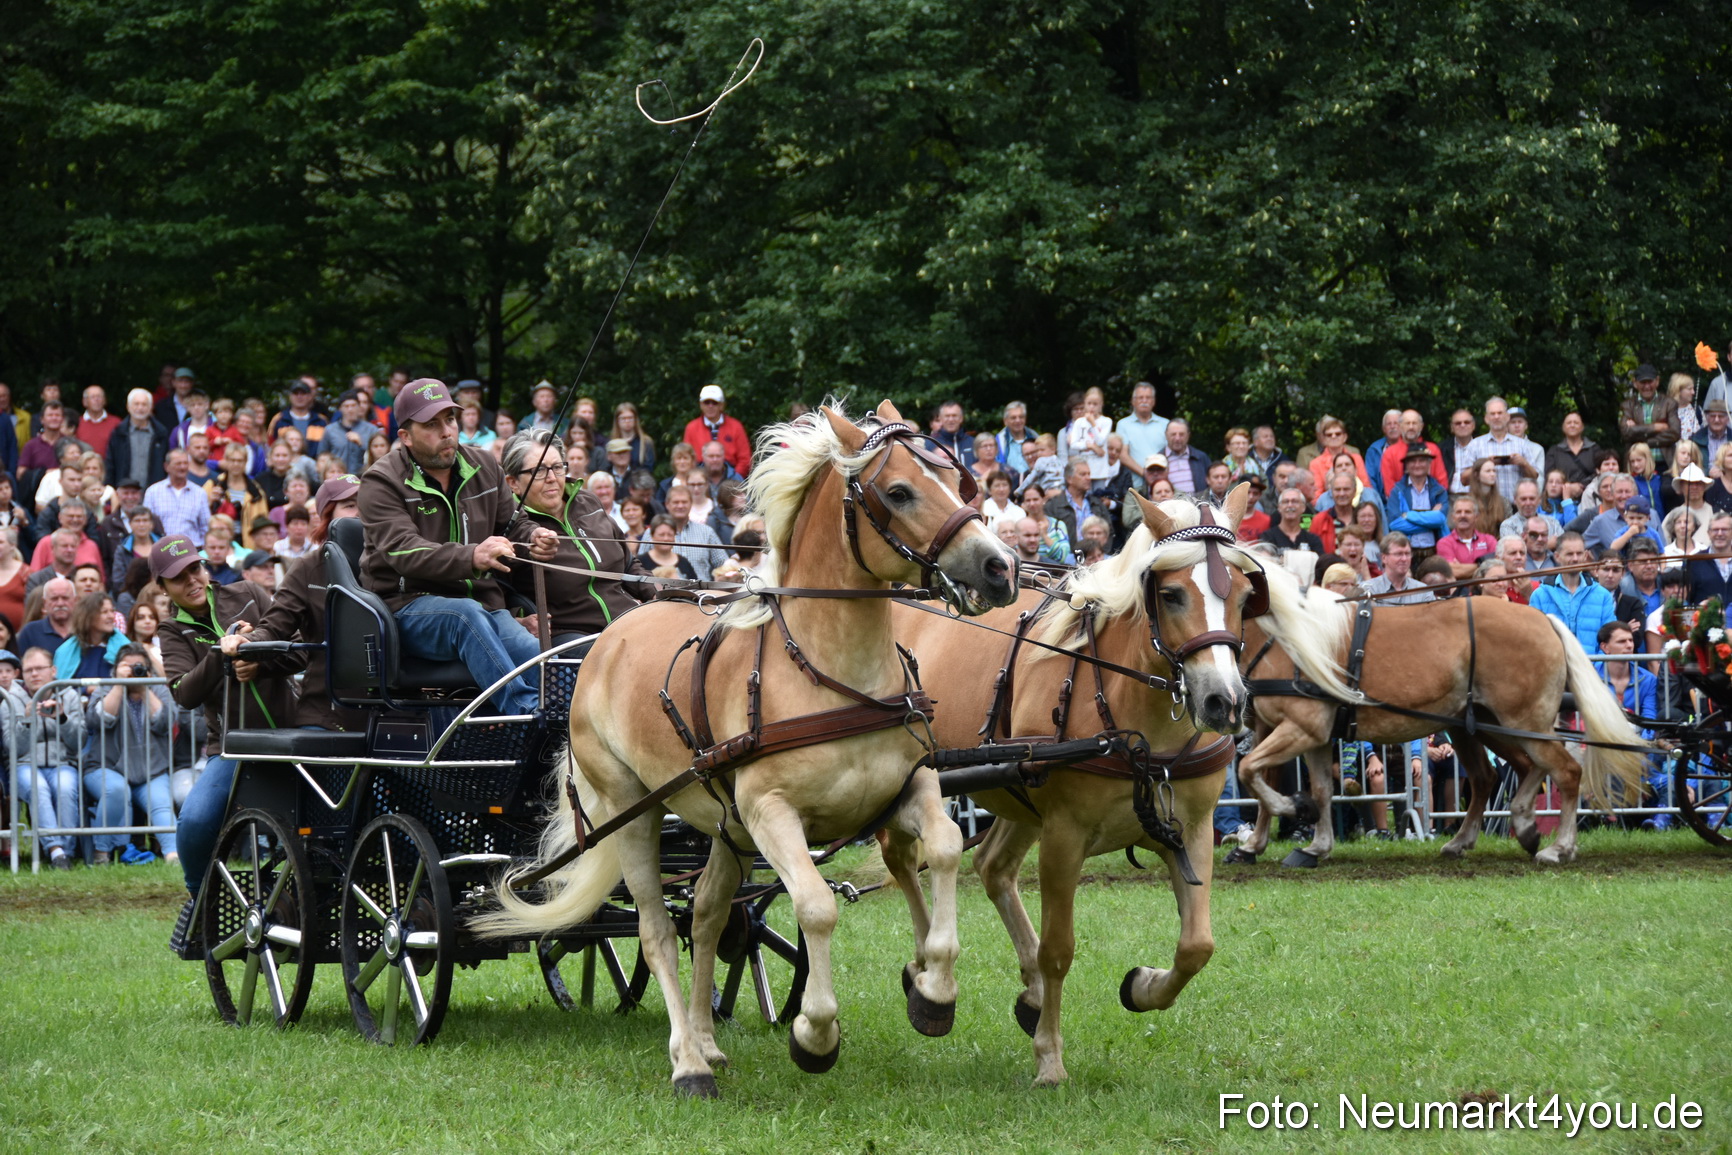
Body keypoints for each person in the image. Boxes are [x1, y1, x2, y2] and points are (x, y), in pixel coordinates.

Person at [356, 379, 558, 716]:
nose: (447, 431)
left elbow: (513, 525)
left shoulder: (485, 465)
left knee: (539, 659)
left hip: (483, 605)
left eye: (450, 419)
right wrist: (473, 556)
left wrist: (534, 537)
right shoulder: (380, 481)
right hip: (405, 607)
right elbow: (404, 551)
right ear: (405, 437)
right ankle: (529, 714)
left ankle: (572, 717)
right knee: (464, 616)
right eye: (431, 424)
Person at [159, 533, 301, 948]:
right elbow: (184, 692)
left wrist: (258, 658)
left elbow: (300, 654)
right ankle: (203, 899)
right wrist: (220, 656)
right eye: (178, 578)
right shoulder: (172, 629)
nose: (191, 580)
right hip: (230, 747)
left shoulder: (249, 592)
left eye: (194, 569)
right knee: (196, 821)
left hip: (291, 736)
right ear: (162, 588)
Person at [222, 475, 368, 732]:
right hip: (326, 711)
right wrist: (250, 642)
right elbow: (276, 624)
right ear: (326, 519)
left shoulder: (392, 562)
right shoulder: (308, 567)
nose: (360, 514)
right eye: (349, 505)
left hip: (391, 710)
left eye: (365, 504)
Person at [497, 431, 639, 643]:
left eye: (557, 467)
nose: (552, 478)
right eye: (539, 471)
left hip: (628, 620)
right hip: (571, 636)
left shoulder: (588, 502)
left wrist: (654, 594)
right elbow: (494, 593)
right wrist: (519, 619)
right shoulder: (510, 526)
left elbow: (629, 563)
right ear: (513, 482)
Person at [7, 645, 106, 869]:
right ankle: (56, 851)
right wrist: (26, 721)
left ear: (53, 671)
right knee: (38, 788)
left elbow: (78, 741)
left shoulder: (69, 696)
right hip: (24, 764)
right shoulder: (11, 699)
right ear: (22, 674)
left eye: (39, 668)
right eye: (28, 670)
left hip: (63, 763)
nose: (34, 674)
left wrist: (61, 718)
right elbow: (12, 746)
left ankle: (66, 853)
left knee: (65, 787)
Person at [84, 643, 178, 863]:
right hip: (106, 767)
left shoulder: (158, 688)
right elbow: (98, 720)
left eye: (139, 666)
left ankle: (173, 854)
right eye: (128, 666)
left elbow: (166, 721)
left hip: (151, 771)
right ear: (116, 668)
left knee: (161, 802)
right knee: (116, 790)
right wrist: (119, 684)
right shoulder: (106, 688)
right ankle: (102, 852)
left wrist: (144, 688)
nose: (134, 670)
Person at [1529, 532, 1615, 650]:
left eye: (1579, 554)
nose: (1575, 559)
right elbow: (1534, 638)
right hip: (1555, 666)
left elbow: (1610, 639)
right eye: (1569, 554)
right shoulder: (1540, 595)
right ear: (1557, 557)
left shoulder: (1603, 595)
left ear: (1585, 556)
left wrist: (1597, 666)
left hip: (1591, 667)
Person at [1456, 396, 1542, 502]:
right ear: (1486, 419)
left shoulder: (1521, 444)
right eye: (1492, 414)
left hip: (1515, 506)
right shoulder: (1475, 445)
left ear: (1507, 417)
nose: (1496, 417)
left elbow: (1534, 477)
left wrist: (1524, 463)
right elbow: (1463, 480)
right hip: (1484, 506)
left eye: (1500, 413)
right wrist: (1483, 465)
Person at [661, 483, 728, 581]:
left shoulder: (706, 532)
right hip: (664, 593)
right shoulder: (653, 534)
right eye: (676, 502)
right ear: (667, 504)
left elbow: (723, 564)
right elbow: (642, 566)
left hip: (701, 593)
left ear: (691, 503)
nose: (680, 506)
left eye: (684, 502)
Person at [53, 590, 127, 679]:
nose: (111, 616)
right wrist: (86, 689)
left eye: (112, 611)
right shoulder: (66, 651)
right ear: (88, 616)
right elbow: (61, 688)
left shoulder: (124, 648)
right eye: (104, 612)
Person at [682, 384, 752, 478]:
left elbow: (745, 459)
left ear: (722, 405)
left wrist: (734, 478)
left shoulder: (736, 426)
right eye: (707, 402)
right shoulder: (691, 428)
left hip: (731, 476)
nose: (710, 406)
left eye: (714, 403)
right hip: (700, 477)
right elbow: (687, 458)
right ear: (701, 405)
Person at [143, 448, 209, 545]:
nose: (182, 467)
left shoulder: (199, 493)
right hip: (162, 550)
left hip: (192, 551)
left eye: (185, 463)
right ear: (166, 467)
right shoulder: (153, 492)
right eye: (178, 464)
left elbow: (206, 527)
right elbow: (146, 523)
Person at [1619, 364, 1679, 450]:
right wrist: (1655, 427)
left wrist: (1643, 440)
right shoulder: (1627, 405)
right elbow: (1625, 433)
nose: (1647, 386)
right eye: (1643, 382)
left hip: (1664, 461)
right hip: (1637, 461)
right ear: (1635, 383)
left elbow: (1675, 433)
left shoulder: (1669, 403)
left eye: (1650, 381)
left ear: (1657, 381)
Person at [1436, 495, 1497, 579]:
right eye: (1458, 512)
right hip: (1459, 591)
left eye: (1467, 512)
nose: (1462, 515)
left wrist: (1462, 568)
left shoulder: (1489, 540)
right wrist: (1483, 566)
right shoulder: (1444, 543)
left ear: (1476, 517)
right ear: (1453, 517)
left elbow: (1497, 569)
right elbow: (1452, 572)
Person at [1362, 533, 1434, 604]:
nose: (1404, 559)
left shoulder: (1423, 592)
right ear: (1384, 558)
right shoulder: (1368, 590)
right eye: (1398, 554)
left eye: (1407, 553)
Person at [1545, 412, 1599, 501]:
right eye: (1569, 423)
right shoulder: (1555, 451)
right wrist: (1567, 487)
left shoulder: (1594, 449)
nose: (1572, 425)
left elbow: (1599, 473)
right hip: (1560, 500)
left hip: (1589, 498)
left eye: (1576, 423)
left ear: (1582, 427)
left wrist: (1582, 485)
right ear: (1563, 427)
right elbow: (1549, 476)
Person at [17, 576, 75, 654]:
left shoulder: (86, 630)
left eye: (65, 598)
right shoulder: (30, 632)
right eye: (54, 599)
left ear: (75, 600)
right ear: (44, 602)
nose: (60, 603)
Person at [631, 514, 698, 581]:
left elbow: (695, 587)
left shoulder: (684, 562)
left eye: (670, 535)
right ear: (652, 536)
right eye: (661, 535)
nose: (666, 538)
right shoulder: (640, 562)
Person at [265, 379, 328, 450]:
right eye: (295, 393)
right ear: (290, 396)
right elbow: (270, 446)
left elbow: (327, 447)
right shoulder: (278, 420)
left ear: (310, 396)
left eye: (303, 393)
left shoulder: (321, 421)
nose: (299, 396)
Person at [1260, 488, 1325, 555]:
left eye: (1295, 501)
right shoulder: (1268, 538)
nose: (1290, 505)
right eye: (1285, 502)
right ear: (1279, 508)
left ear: (1303, 507)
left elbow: (1320, 563)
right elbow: (1264, 561)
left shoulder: (1312, 540)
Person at [1686, 513, 1732, 604]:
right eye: (1715, 530)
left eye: (1724, 529)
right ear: (1708, 533)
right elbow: (1688, 598)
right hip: (1706, 617)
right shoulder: (1695, 561)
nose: (1719, 533)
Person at [1161, 419, 1211, 494]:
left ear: (1188, 435)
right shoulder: (1158, 460)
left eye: (1181, 434)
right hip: (1170, 505)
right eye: (1173, 434)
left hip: (1197, 504)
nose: (1177, 438)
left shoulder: (1200, 457)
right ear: (1166, 435)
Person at [1464, 458, 1511, 538]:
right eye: (1488, 471)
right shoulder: (1466, 502)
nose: (1492, 474)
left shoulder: (1503, 502)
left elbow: (1509, 529)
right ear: (1476, 475)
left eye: (1494, 471)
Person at [1361, 410, 1403, 498]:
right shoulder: (1373, 450)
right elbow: (1370, 481)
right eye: (1389, 424)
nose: (1392, 427)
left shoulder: (1413, 448)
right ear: (1384, 429)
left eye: (1396, 423)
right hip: (1382, 503)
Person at [610, 401, 656, 473]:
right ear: (617, 421)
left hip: (640, 481)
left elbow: (649, 468)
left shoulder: (645, 442)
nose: (627, 421)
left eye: (630, 418)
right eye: (623, 418)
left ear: (635, 420)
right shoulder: (611, 442)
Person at [996, 400, 1039, 475]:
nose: (1018, 420)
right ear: (1005, 421)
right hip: (1009, 484)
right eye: (1013, 418)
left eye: (1021, 417)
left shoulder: (1035, 437)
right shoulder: (999, 441)